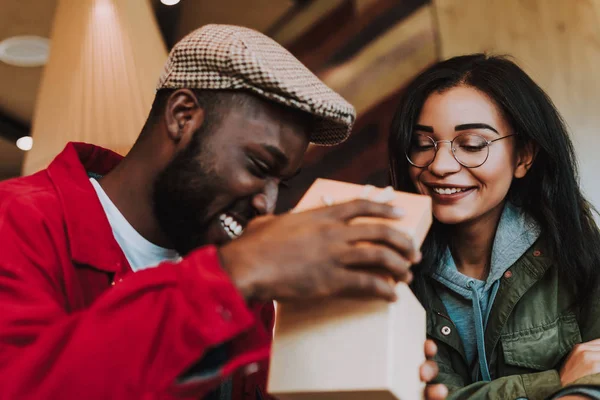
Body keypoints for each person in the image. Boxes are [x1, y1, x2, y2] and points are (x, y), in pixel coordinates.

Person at [0, 25, 446, 400]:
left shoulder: (241, 282)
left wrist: (353, 380)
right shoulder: (17, 221)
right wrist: (233, 274)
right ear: (182, 116)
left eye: (281, 183)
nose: (266, 205)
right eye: (257, 166)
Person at [388, 53, 600, 399]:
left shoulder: (575, 246)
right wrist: (555, 383)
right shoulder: (388, 268)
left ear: (523, 157)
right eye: (423, 144)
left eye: (472, 145)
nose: (440, 165)